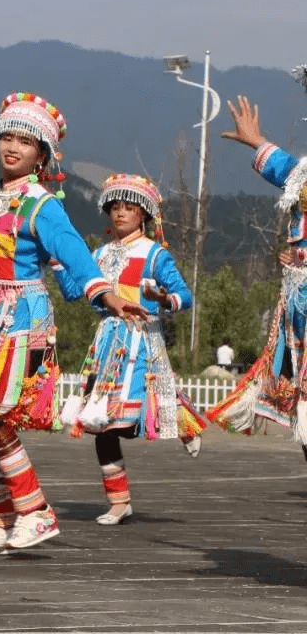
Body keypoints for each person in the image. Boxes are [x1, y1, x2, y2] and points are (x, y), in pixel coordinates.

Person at [0, 93, 147, 555]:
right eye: (6, 136)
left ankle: (36, 511)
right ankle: (2, 519)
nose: (12, 147)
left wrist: (107, 295)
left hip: (19, 317)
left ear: (41, 155)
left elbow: (73, 254)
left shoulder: (42, 206)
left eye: (24, 142)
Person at [59, 174, 205, 526]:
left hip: (141, 340)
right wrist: (56, 257)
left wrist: (161, 298)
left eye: (129, 208)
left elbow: (185, 296)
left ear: (144, 215)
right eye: (115, 208)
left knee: (124, 421)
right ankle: (119, 501)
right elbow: (72, 290)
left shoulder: (154, 254)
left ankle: (185, 422)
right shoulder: (99, 253)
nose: (120, 214)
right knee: (102, 426)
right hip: (108, 341)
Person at [208, 90, 307, 451]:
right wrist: (256, 142)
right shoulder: (302, 172)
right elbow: (286, 170)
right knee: (303, 401)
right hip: (299, 300)